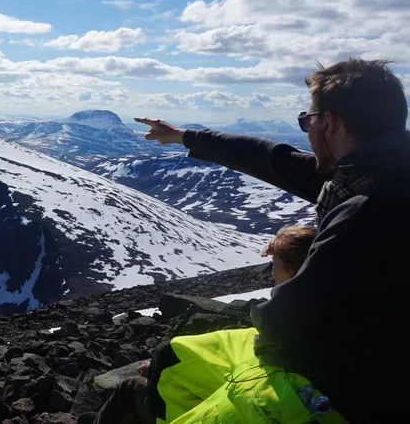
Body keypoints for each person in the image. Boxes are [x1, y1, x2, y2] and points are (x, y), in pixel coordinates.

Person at [133, 58, 409, 423]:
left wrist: (264, 318)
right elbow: (271, 159)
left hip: (349, 388)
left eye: (307, 121)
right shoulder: (370, 176)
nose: (307, 132)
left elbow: (287, 321)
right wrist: (184, 136)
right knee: (175, 355)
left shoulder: (368, 207)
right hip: (360, 356)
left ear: (330, 123)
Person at [94, 226, 320, 424]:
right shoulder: (321, 327)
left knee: (129, 390)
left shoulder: (283, 338)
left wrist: (160, 370)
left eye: (275, 263)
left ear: (293, 273)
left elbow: (196, 358)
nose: (271, 271)